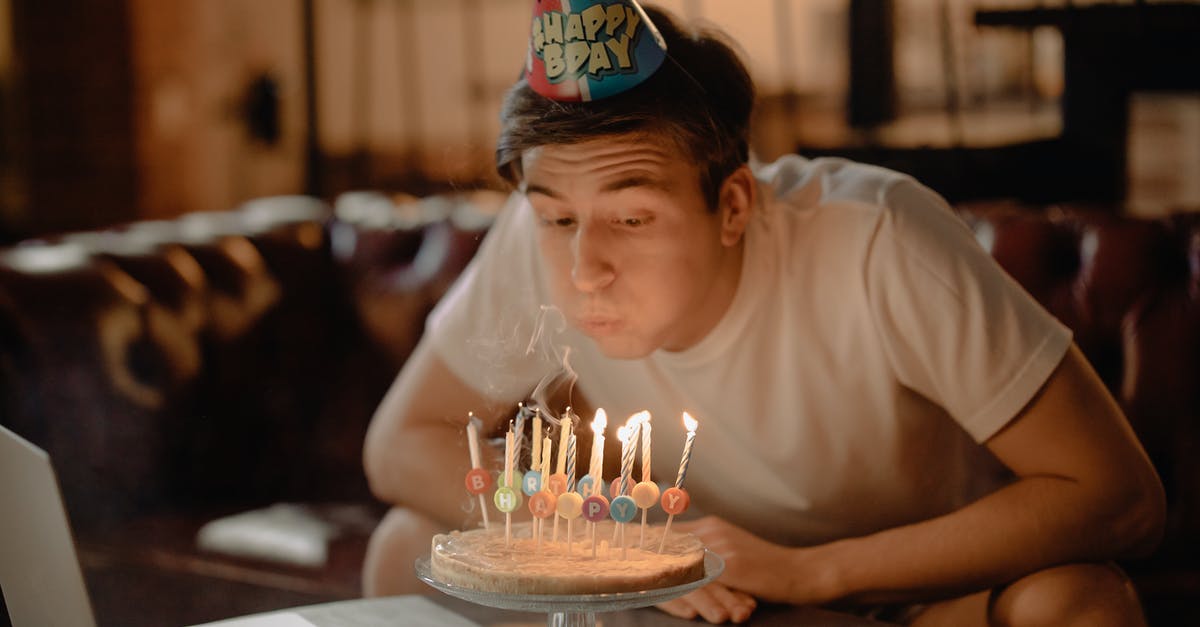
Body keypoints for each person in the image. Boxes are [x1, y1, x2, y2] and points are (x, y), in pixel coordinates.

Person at [362, 4, 1165, 625]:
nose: (584, 268)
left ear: (733, 205)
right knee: (407, 544)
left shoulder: (878, 239)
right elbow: (399, 444)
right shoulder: (539, 236)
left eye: (633, 219)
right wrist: (594, 546)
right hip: (692, 597)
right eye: (557, 218)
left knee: (1078, 601)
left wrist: (815, 571)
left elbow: (1119, 495)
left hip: (915, 595)